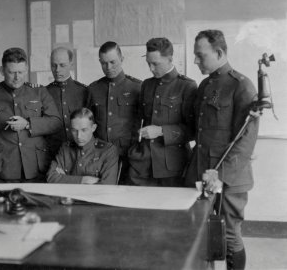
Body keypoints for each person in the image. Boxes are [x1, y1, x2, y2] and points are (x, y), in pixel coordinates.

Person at [184, 30, 259, 270]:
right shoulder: (206, 84)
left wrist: (220, 174)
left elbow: (245, 140)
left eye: (200, 55)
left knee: (228, 235)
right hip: (203, 171)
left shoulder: (242, 85)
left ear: (218, 53)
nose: (196, 61)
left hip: (228, 177)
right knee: (204, 232)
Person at [0, 48, 61, 185]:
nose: (17, 77)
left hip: (35, 169)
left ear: (26, 69)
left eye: (21, 72)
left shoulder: (39, 91)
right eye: (12, 72)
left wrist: (28, 124)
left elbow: (56, 122)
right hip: (1, 170)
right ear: (2, 70)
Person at [128, 38, 197, 186]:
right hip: (143, 165)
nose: (151, 69)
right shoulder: (146, 84)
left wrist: (161, 131)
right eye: (148, 63)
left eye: (155, 64)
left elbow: (193, 130)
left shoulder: (186, 86)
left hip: (173, 167)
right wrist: (135, 151)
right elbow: (137, 120)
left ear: (170, 59)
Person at [87, 41, 141, 184]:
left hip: (128, 156)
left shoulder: (137, 87)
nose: (109, 67)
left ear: (122, 59)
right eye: (104, 63)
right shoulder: (93, 89)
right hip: (100, 156)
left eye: (113, 62)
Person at [47, 108, 119, 184]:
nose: (79, 136)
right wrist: (83, 180)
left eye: (84, 130)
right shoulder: (65, 148)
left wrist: (65, 179)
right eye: (74, 130)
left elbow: (107, 186)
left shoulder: (108, 151)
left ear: (93, 128)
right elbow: (51, 178)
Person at [46, 47, 88, 158]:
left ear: (71, 64)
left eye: (62, 65)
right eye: (53, 65)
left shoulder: (84, 91)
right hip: (53, 154)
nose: (57, 70)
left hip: (81, 153)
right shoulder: (44, 93)